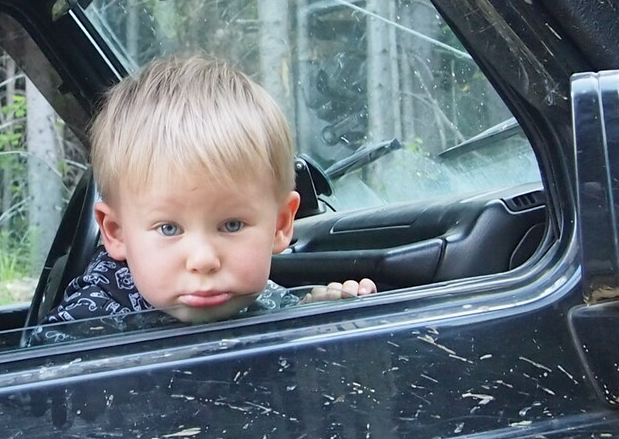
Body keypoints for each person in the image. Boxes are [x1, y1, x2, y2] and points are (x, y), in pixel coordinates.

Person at [39, 55, 374, 339]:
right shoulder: (83, 333)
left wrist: (309, 317)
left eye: (231, 224)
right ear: (116, 232)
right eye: (169, 228)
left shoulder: (261, 298)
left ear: (280, 224)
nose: (203, 260)